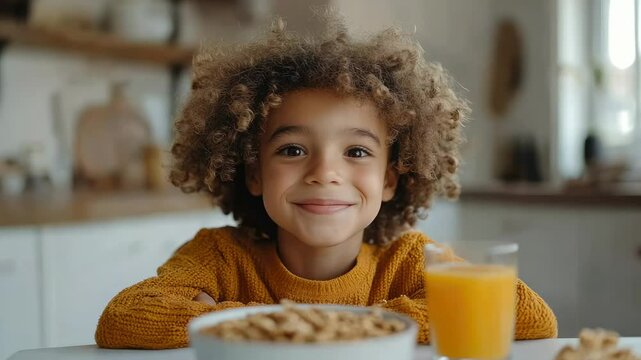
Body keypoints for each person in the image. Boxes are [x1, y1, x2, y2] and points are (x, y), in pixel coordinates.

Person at [95, 15, 557, 349]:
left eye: (356, 152)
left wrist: (341, 325)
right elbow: (123, 319)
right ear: (255, 173)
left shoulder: (410, 260)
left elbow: (532, 317)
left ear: (391, 179)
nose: (324, 173)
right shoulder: (218, 257)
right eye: (293, 150)